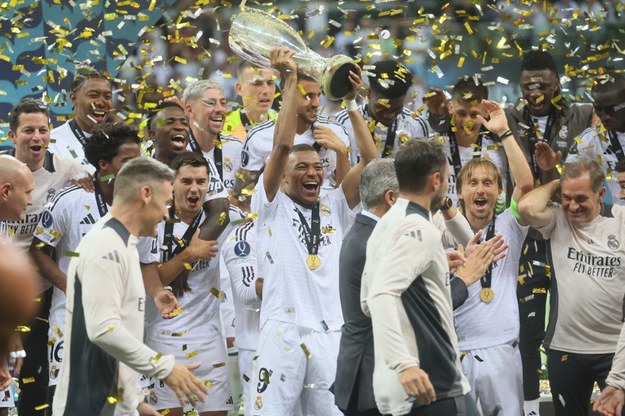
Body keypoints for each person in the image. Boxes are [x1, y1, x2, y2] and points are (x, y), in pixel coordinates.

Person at [247, 47, 377, 415]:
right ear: (283, 176)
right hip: (283, 330)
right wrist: (289, 79)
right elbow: (284, 144)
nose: (313, 173)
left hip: (331, 331)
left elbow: (371, 161)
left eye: (317, 167)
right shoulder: (270, 202)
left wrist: (352, 104)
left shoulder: (334, 202)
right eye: (302, 168)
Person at [333, 159, 501, 416]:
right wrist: (464, 279)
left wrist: (436, 266)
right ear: (391, 198)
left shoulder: (365, 233)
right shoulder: (375, 242)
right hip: (381, 381)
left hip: (369, 376)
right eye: (411, 195)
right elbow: (417, 311)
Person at [52, 156, 207, 415]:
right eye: (166, 202)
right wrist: (165, 367)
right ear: (146, 194)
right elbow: (103, 329)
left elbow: (111, 344)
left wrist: (136, 405)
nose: (167, 214)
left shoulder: (123, 245)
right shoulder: (106, 246)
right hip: (89, 406)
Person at [30, 124, 170, 399]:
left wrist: (158, 293)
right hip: (71, 320)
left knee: (122, 402)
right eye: (128, 162)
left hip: (122, 321)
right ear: (103, 164)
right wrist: (71, 286)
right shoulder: (69, 200)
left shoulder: (146, 206)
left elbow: (146, 263)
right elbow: (37, 252)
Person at [506, 49, 595, 416]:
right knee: (527, 330)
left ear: (557, 83)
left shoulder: (582, 114)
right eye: (528, 85)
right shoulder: (508, 117)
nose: (535, 92)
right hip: (525, 231)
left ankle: (583, 399)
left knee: (572, 320)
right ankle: (529, 408)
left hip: (570, 228)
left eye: (542, 84)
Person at [361, 139, 479, 415]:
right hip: (433, 384)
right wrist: (405, 363)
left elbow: (367, 301)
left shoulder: (384, 225)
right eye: (449, 179)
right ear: (436, 180)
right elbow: (380, 294)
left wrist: (432, 270)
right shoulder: (422, 229)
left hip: (394, 391)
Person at [0, 98, 90, 416]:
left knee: (34, 383)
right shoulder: (2, 171)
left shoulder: (67, 169)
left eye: (43, 129)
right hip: (4, 291)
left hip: (40, 293)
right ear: (12, 136)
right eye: (28, 130)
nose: (37, 137)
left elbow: (100, 190)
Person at [518, 159, 625, 416]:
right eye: (566, 197)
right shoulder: (557, 219)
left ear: (601, 193)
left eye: (580, 198)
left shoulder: (621, 222)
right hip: (565, 348)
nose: (573, 206)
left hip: (614, 350)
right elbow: (525, 208)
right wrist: (558, 182)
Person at [451, 98, 534, 415]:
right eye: (472, 183)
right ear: (459, 192)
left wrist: (505, 133)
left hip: (501, 351)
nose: (480, 190)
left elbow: (526, 184)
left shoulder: (509, 225)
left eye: (488, 183)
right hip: (457, 353)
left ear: (499, 192)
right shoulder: (443, 231)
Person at [138, 152, 231, 416]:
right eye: (187, 181)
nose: (194, 189)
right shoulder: (154, 221)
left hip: (210, 339)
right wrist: (189, 255)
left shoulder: (223, 220)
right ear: (171, 183)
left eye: (201, 182)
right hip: (163, 337)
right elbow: (151, 278)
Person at [238, 63, 351, 194]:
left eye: (318, 95)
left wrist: (341, 152)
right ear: (287, 95)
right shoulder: (258, 136)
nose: (316, 103)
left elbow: (346, 195)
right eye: (308, 96)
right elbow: (245, 195)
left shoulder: (335, 131)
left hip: (327, 212)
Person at [333, 59, 430, 164]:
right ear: (369, 93)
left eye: (396, 109)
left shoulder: (416, 125)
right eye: (381, 107)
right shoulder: (342, 124)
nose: (389, 115)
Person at [438, 77, 511, 208]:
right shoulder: (436, 148)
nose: (467, 121)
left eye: (474, 115)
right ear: (450, 108)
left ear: (485, 112)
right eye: (461, 113)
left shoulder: (498, 151)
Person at [563, 73, 625, 205]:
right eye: (599, 109)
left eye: (611, 109)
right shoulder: (589, 141)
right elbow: (567, 179)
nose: (605, 117)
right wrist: (550, 168)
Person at [221, 217, 261, 416]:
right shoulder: (243, 236)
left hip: (309, 342)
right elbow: (247, 291)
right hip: (258, 348)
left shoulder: (314, 226)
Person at [49, 67, 113, 173]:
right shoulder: (52, 143)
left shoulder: (119, 142)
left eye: (107, 96)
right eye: (93, 95)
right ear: (74, 99)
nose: (101, 103)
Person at [222, 61, 278, 141]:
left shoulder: (283, 123)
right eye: (257, 83)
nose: (266, 91)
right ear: (240, 89)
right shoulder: (224, 127)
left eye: (270, 83)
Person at [147, 102, 191, 166]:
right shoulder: (143, 172)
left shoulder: (201, 169)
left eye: (184, 123)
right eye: (169, 122)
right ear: (153, 134)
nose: (179, 127)